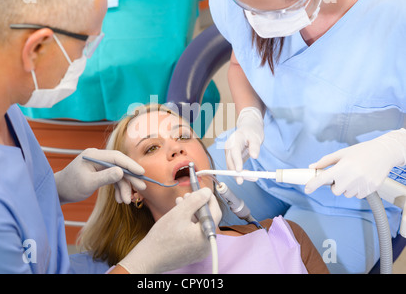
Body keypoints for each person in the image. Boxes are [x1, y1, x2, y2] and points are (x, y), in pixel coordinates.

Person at [0, 0, 220, 274]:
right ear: (37, 48)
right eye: (86, 46)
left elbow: (9, 206)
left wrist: (53, 189)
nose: (86, 61)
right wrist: (141, 265)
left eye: (183, 135)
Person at [207, 0, 406, 273]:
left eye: (274, 12)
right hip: (259, 162)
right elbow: (240, 63)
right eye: (244, 6)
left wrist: (392, 148)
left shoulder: (395, 16)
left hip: (351, 199)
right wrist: (249, 117)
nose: (254, 21)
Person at [76, 104, 329, 274]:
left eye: (183, 136)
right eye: (151, 147)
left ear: (207, 160)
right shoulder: (135, 268)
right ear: (132, 189)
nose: (176, 148)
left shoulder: (283, 235)